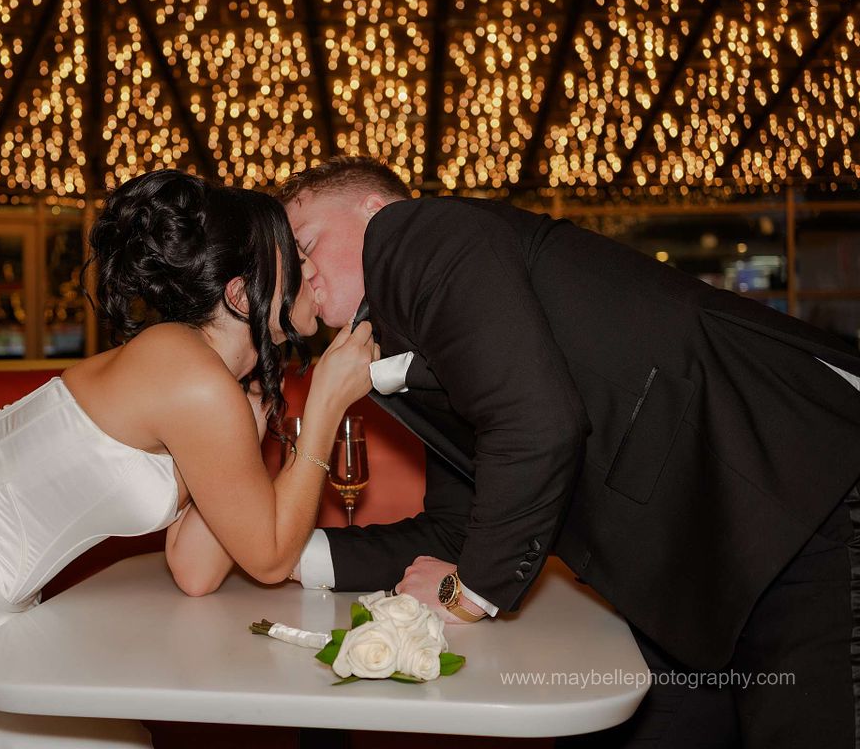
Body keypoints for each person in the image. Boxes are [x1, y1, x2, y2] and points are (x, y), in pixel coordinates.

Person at [281, 156, 860, 748]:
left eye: (306, 244)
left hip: (803, 492)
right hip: (708, 559)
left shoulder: (413, 234)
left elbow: (536, 426)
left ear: (377, 211)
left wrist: (470, 595)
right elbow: (460, 527)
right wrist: (293, 553)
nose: (302, 271)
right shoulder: (426, 340)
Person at [0, 169, 377, 748]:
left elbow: (196, 571)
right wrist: (324, 406)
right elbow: (272, 559)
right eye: (293, 258)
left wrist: (257, 430)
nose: (310, 272)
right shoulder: (189, 375)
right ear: (242, 294)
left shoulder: (209, 383)